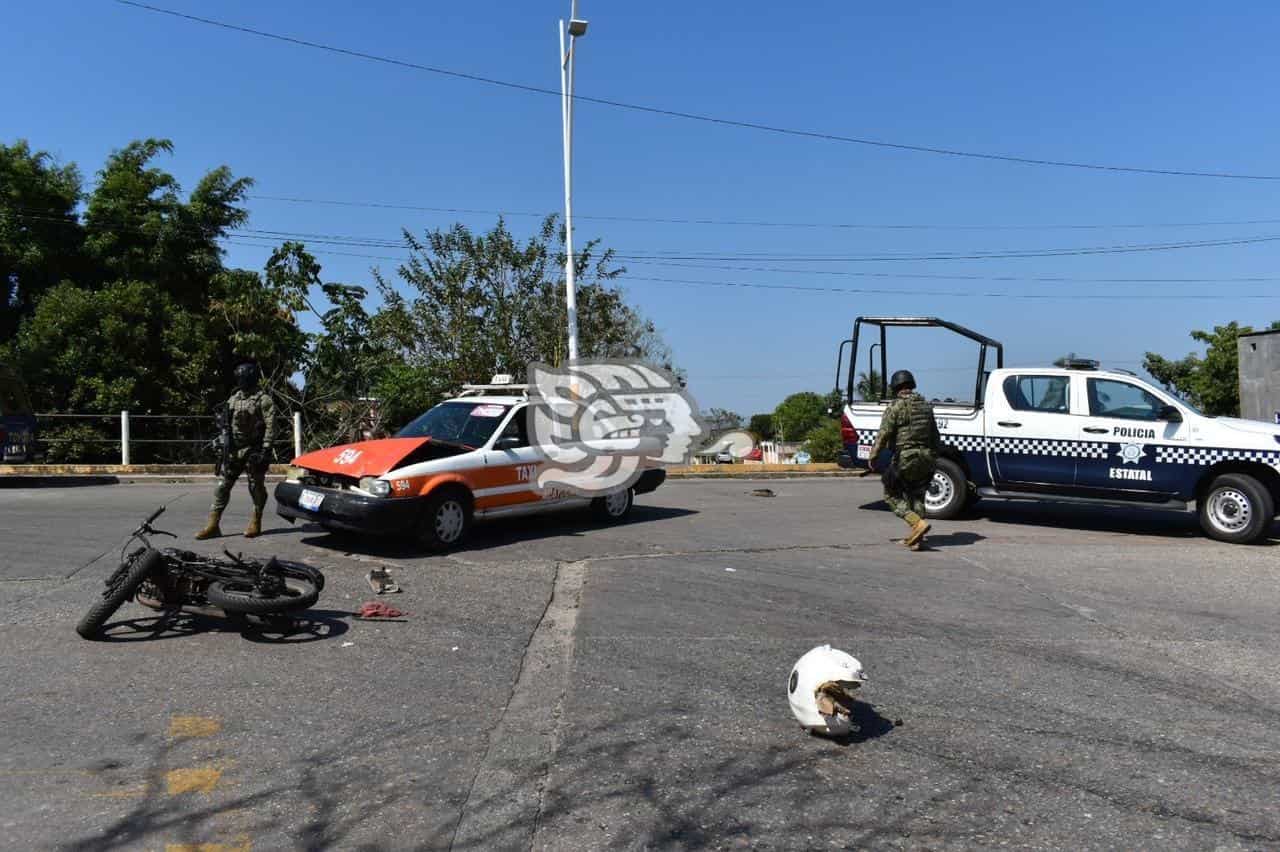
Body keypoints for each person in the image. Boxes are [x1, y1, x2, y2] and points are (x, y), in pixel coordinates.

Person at [195, 361, 275, 540]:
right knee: (223, 486)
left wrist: (266, 449)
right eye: (239, 378)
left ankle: (256, 519)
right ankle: (213, 525)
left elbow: (270, 426)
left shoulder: (263, 400)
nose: (241, 381)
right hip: (234, 451)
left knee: (256, 486)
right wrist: (222, 441)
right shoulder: (233, 399)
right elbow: (226, 424)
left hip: (254, 449)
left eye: (244, 378)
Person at [867, 369, 941, 550]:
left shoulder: (896, 407)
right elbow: (935, 437)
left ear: (896, 387)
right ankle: (918, 540)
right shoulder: (926, 406)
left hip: (906, 458)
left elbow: (884, 434)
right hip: (927, 458)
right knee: (917, 496)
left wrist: (873, 456)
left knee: (890, 494)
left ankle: (917, 524)